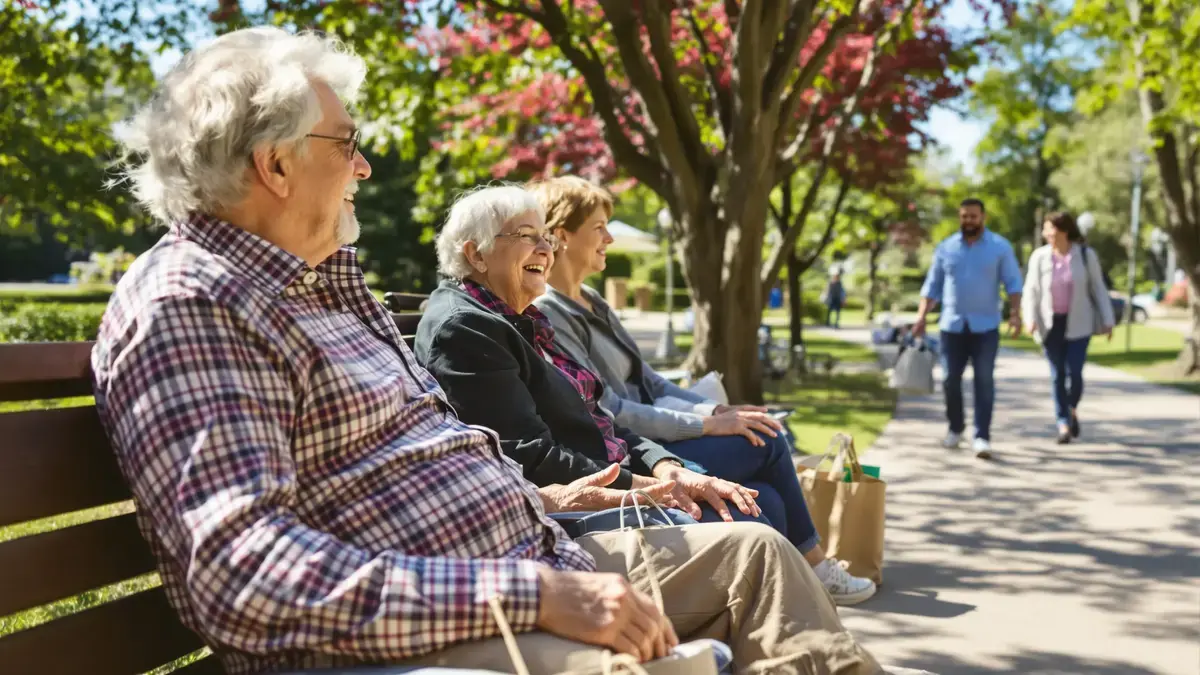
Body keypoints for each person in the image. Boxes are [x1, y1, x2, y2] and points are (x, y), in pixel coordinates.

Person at [90, 28, 916, 675]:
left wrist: (550, 504)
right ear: (275, 163)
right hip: (410, 635)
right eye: (347, 145)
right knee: (630, 656)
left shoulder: (322, 288)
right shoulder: (193, 304)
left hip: (532, 547)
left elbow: (411, 460)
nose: (365, 167)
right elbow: (246, 575)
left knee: (758, 558)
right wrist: (537, 592)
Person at [528, 176, 876, 605]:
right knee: (768, 442)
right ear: (562, 234)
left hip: (660, 434)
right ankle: (817, 571)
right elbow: (612, 410)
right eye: (599, 226)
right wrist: (706, 426)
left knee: (765, 497)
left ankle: (799, 592)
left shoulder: (592, 300)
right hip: (641, 447)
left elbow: (650, 380)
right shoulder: (550, 312)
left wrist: (718, 408)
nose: (609, 237)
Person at [913, 198, 1023, 460]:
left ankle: (981, 436)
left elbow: (1013, 283)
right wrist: (920, 318)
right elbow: (932, 287)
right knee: (950, 379)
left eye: (973, 216)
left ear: (983, 217)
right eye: (964, 216)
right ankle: (956, 427)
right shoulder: (946, 248)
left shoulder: (999, 247)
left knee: (984, 381)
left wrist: (1016, 315)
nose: (968, 221)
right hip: (952, 326)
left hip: (986, 327)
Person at [1021, 212, 1115, 444]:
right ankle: (1062, 423)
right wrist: (1029, 318)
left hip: (1079, 322)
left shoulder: (1085, 255)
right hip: (1049, 323)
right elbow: (1031, 291)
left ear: (1063, 230)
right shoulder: (1039, 257)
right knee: (1057, 376)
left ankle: (1072, 408)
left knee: (1075, 373)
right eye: (1045, 230)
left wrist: (1108, 319)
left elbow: (1098, 289)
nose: (1046, 234)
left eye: (1049, 229)